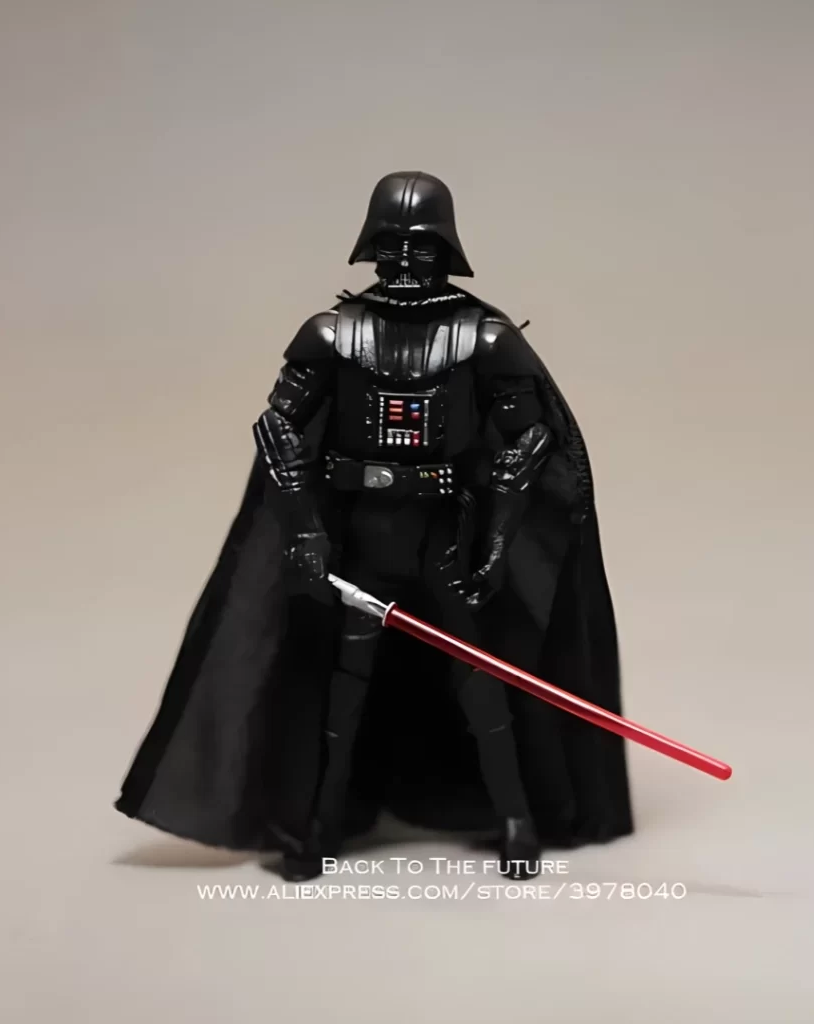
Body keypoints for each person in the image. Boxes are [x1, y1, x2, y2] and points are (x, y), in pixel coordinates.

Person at [115, 171, 633, 882]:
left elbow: (526, 445)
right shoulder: (331, 334)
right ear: (369, 247)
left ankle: (517, 820)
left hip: (445, 535)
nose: (406, 262)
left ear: (447, 250)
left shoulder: (485, 338)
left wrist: (495, 547)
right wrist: (305, 531)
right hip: (359, 538)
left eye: (421, 247)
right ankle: (319, 824)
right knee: (344, 685)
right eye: (391, 246)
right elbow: (279, 430)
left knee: (479, 681)